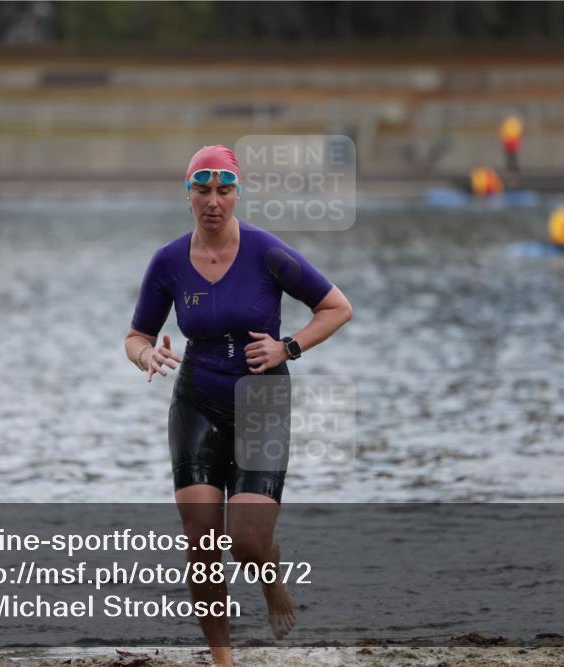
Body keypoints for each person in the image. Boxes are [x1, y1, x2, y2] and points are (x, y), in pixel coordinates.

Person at [123, 145, 353, 667]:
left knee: (247, 546)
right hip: (196, 401)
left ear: (237, 194)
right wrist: (146, 356)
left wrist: (287, 346)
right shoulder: (167, 262)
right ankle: (223, 661)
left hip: (262, 400)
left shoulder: (266, 252)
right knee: (203, 547)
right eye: (202, 191)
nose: (213, 202)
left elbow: (337, 308)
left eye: (224, 191)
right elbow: (136, 335)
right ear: (188, 195)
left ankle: (269, 572)